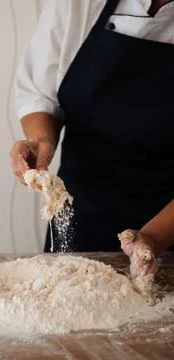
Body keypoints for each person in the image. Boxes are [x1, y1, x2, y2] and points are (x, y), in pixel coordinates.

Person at [10, 0, 174, 278]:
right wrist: (41, 139)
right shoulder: (79, 4)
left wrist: (153, 239)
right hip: (80, 217)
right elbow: (39, 93)